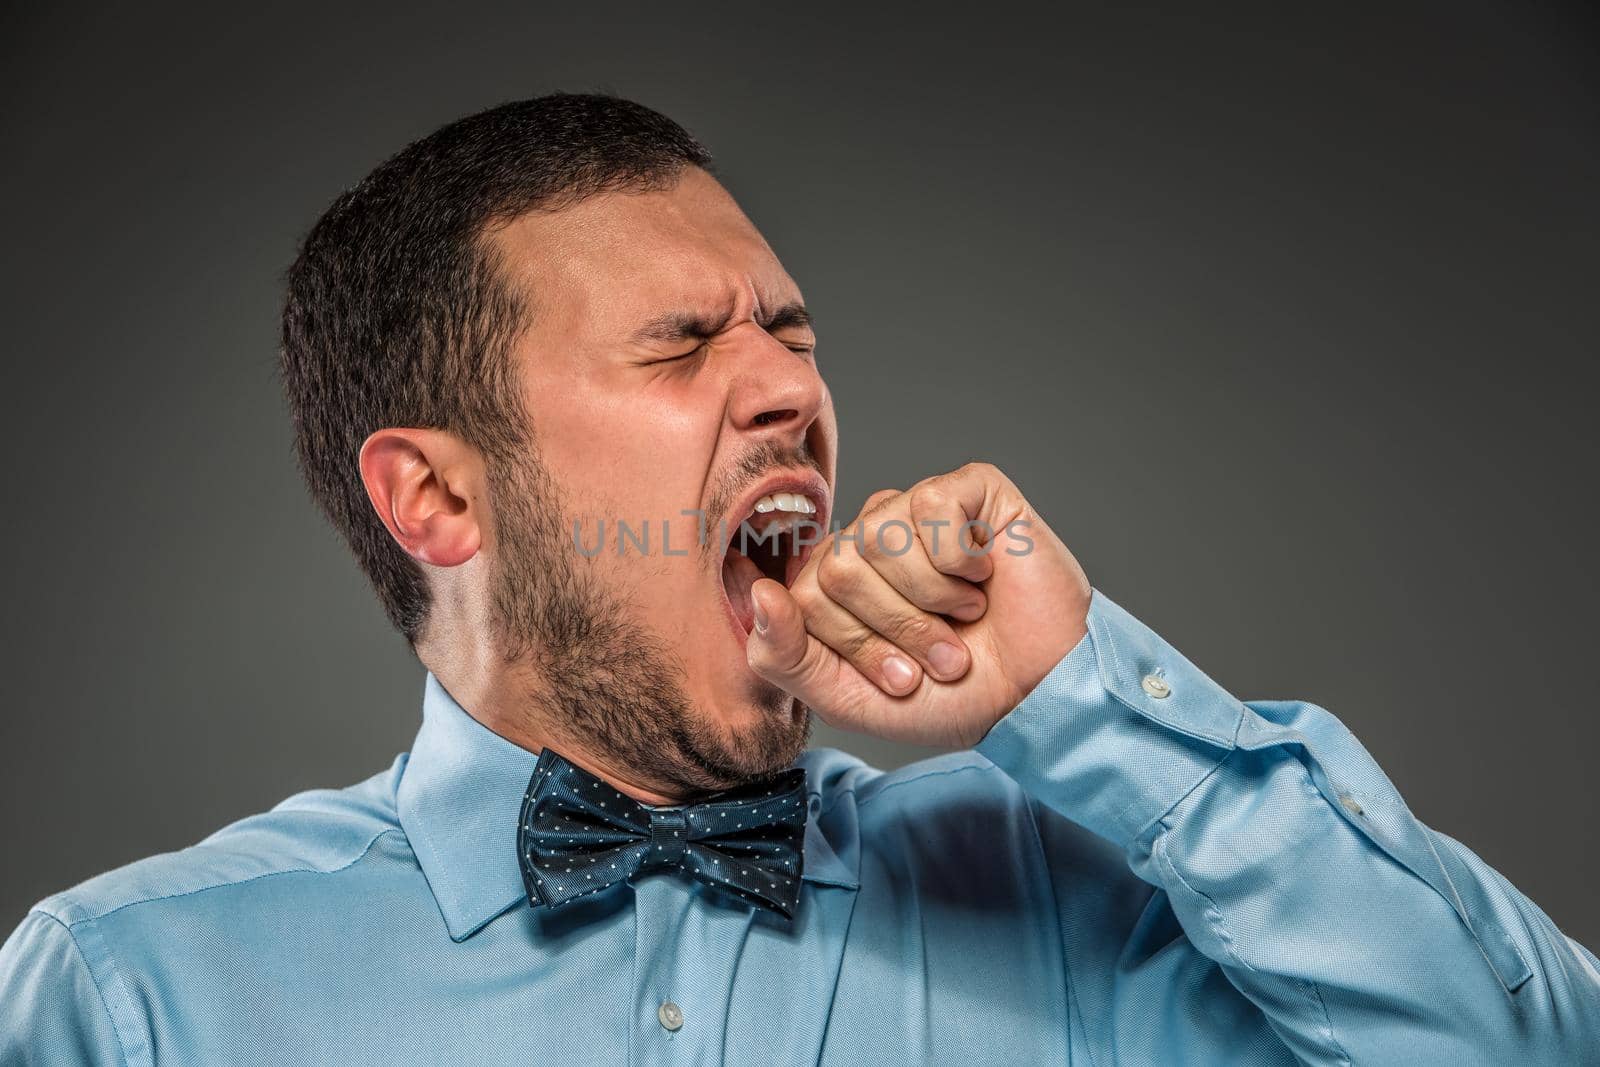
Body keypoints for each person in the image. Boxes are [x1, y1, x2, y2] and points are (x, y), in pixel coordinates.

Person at [2, 93, 1596, 1066]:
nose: (788, 391)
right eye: (686, 344)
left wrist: (1093, 704)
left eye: (794, 335)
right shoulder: (132, 995)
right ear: (436, 496)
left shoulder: (1072, 903)